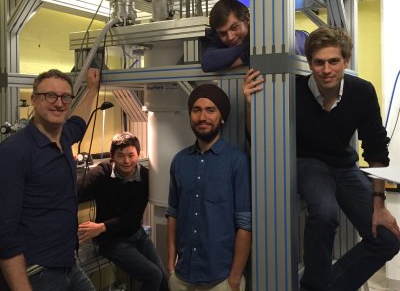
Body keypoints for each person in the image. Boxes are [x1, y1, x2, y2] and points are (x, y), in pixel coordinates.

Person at [243, 26, 400, 291]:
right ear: (309, 63)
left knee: (388, 239)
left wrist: (379, 204)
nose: (326, 69)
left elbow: (376, 149)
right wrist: (250, 105)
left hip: (345, 166)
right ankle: (315, 285)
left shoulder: (362, 91)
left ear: (345, 61)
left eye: (333, 61)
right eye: (319, 62)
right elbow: (259, 139)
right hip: (309, 163)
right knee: (325, 214)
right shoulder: (292, 91)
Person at [0, 67, 100, 291]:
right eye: (50, 96)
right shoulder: (14, 152)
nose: (59, 103)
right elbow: (5, 232)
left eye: (65, 97)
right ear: (34, 100)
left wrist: (92, 90)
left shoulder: (64, 137)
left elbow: (79, 122)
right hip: (37, 272)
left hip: (69, 264)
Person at [166, 84, 252, 291]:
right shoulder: (179, 161)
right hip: (181, 276)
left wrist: (234, 277)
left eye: (210, 110)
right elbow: (173, 213)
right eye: (196, 110)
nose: (202, 117)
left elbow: (245, 224)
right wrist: (170, 263)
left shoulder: (237, 161)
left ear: (222, 118)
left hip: (221, 279)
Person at [77, 131, 168, 291]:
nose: (126, 161)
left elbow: (132, 218)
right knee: (153, 275)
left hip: (137, 234)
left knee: (163, 280)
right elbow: (78, 191)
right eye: (120, 155)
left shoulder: (145, 177)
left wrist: (101, 227)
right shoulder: (103, 172)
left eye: (131, 155)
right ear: (112, 156)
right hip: (112, 241)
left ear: (138, 154)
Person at [201, 0, 308, 72]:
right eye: (223, 33)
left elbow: (284, 44)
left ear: (247, 19)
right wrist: (249, 52)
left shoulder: (265, 27)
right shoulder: (223, 36)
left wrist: (244, 57)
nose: (230, 37)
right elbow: (207, 63)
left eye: (234, 27)